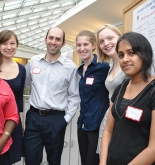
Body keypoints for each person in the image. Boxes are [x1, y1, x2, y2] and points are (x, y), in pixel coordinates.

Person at [100, 32, 155, 165]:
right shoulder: (120, 88)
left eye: (131, 53)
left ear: (144, 55)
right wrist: (103, 162)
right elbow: (108, 130)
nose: (125, 59)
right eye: (121, 55)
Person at [23, 27, 80, 165]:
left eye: (58, 39)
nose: (53, 42)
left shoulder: (70, 67)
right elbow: (22, 85)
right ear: (45, 39)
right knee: (30, 159)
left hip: (56, 119)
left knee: (54, 161)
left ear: (63, 43)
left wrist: (65, 120)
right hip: (33, 118)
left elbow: (74, 96)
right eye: (51, 38)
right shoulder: (34, 61)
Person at [76, 30, 109, 165]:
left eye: (86, 44)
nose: (82, 48)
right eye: (79, 45)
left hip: (97, 126)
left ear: (93, 45)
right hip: (82, 125)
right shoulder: (80, 69)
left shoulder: (103, 67)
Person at [96, 24, 128, 154]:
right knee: (104, 157)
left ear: (120, 37)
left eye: (110, 38)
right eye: (101, 41)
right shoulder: (111, 66)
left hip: (124, 120)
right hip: (108, 118)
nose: (106, 44)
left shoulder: (129, 63)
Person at [0, 30, 26, 165]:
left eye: (12, 43)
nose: (9, 47)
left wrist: (21, 120)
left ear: (17, 45)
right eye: (4, 43)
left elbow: (19, 97)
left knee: (9, 159)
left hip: (12, 120)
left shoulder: (21, 69)